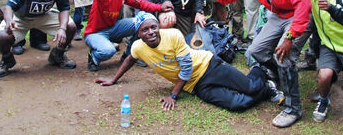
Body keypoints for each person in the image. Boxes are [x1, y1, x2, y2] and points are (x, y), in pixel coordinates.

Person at [95, 12, 282, 111]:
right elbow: (129, 60)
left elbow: (186, 67)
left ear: (158, 27)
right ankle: (266, 89)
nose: (151, 32)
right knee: (237, 104)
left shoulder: (174, 35)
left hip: (208, 66)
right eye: (145, 30)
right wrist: (114, 79)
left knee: (249, 87)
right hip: (195, 86)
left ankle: (259, 70)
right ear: (138, 34)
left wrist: (173, 96)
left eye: (153, 27)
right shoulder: (137, 47)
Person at [212, 0, 312, 128]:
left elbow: (303, 4)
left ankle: (293, 108)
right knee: (254, 52)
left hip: (298, 15)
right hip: (277, 16)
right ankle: (283, 75)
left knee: (283, 56)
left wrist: (289, 37)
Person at [83, 0, 173, 72]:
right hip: (94, 33)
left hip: (113, 28)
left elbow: (140, 4)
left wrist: (160, 7)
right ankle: (93, 57)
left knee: (142, 21)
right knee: (108, 51)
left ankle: (129, 54)